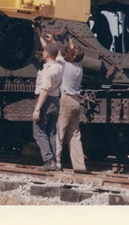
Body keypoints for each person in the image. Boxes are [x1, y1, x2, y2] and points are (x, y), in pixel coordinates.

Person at [32, 31, 64, 171]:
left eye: (44, 51)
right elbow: (57, 54)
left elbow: (44, 90)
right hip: (56, 101)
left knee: (39, 132)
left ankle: (48, 160)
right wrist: (49, 41)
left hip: (46, 101)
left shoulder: (47, 71)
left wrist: (37, 108)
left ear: (46, 55)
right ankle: (56, 163)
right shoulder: (60, 66)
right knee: (52, 133)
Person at [56, 38, 88, 172]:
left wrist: (53, 40)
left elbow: (57, 55)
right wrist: (71, 44)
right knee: (75, 134)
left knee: (59, 132)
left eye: (69, 52)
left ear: (73, 56)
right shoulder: (79, 67)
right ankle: (80, 165)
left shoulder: (65, 65)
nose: (66, 53)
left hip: (66, 100)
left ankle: (56, 163)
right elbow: (74, 55)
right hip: (76, 101)